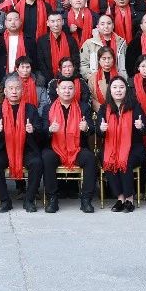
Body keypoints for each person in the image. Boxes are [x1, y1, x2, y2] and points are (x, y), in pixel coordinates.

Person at [41, 77, 97, 213]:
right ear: (57, 90)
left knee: (90, 158)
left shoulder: (83, 107)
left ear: (75, 90)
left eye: (70, 88)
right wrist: (49, 129)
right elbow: (41, 131)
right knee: (47, 157)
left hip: (77, 148)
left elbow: (92, 129)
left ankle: (86, 200)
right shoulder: (48, 108)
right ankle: (52, 199)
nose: (67, 91)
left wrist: (86, 128)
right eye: (64, 88)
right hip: (55, 148)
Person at [0, 75, 44, 212]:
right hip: (4, 149)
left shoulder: (30, 109)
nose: (14, 91)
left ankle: (29, 200)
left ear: (22, 91)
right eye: (11, 88)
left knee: (37, 163)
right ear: (5, 91)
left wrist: (33, 130)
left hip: (26, 148)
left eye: (17, 88)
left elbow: (40, 131)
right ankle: (5, 201)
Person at [99, 76, 145, 213]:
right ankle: (120, 198)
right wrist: (101, 129)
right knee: (107, 160)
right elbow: (98, 131)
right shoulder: (104, 108)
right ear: (110, 90)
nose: (118, 90)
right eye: (115, 87)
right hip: (111, 147)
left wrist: (141, 126)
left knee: (125, 161)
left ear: (126, 89)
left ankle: (129, 198)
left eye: (121, 87)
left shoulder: (134, 106)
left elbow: (145, 130)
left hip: (133, 148)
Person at [80, 14, 127, 80]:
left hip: (118, 81)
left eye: (109, 23)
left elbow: (127, 63)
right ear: (97, 27)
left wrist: (123, 78)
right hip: (96, 80)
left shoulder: (121, 43)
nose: (106, 26)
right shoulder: (89, 43)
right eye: (102, 24)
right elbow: (83, 64)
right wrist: (91, 78)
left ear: (113, 26)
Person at [37, 12, 80, 83]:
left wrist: (69, 77)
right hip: (49, 79)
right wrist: (51, 80)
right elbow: (41, 63)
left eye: (58, 21)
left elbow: (76, 61)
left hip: (69, 77)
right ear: (47, 23)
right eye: (52, 21)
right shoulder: (42, 41)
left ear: (62, 22)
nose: (56, 24)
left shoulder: (71, 40)